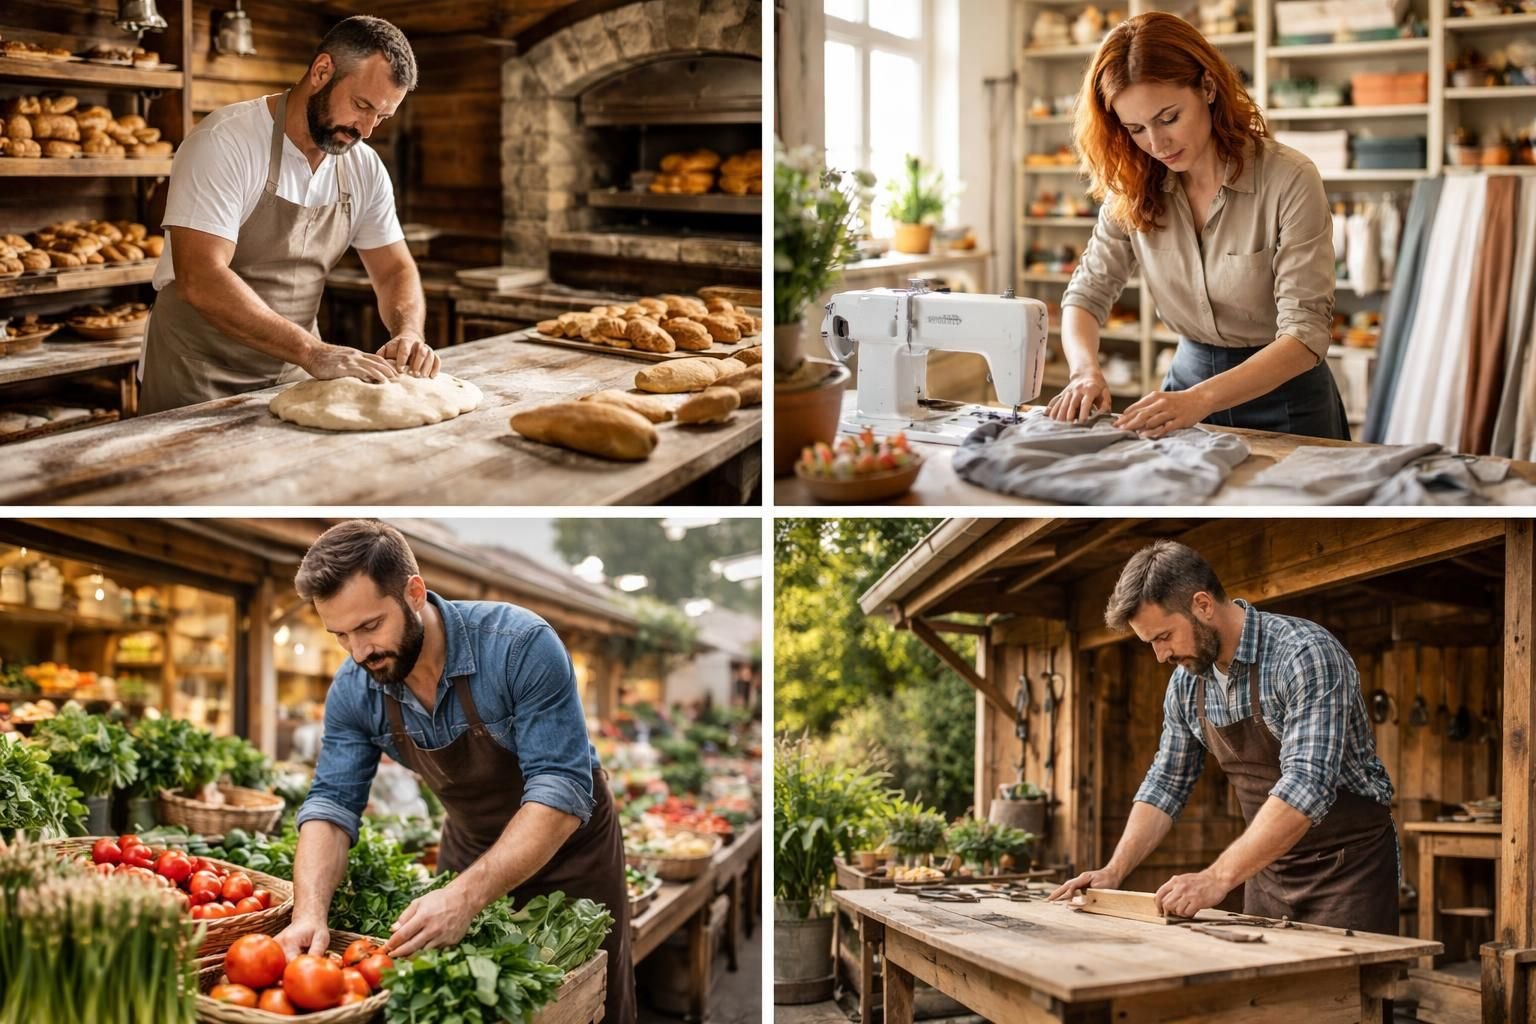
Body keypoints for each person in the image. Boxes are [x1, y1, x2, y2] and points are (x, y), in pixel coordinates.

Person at [276, 520, 635, 1024]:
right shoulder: (355, 689)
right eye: (340, 635)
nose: (359, 652)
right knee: (463, 1005)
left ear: (415, 593)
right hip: (468, 848)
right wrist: (308, 912)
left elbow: (561, 789)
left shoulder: (519, 645)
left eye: (370, 626)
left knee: (587, 1003)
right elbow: (331, 805)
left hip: (573, 855)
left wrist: (466, 896)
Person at [1049, 540, 1398, 934]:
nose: (1160, 656)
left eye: (1164, 637)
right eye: (1150, 643)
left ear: (1202, 605)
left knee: (1346, 994)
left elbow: (1306, 785)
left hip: (1349, 872)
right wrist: (1114, 871)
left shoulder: (1304, 654)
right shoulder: (1186, 684)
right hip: (1267, 871)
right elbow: (1166, 783)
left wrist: (1216, 878)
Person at [1046, 12, 1348, 440]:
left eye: (1168, 118)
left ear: (1207, 87)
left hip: (1286, 399)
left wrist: (1200, 401)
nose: (1156, 144)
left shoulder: (1289, 179)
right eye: (1135, 129)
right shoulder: (1132, 187)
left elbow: (1305, 335)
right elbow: (1087, 294)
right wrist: (1083, 371)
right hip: (1184, 391)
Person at [139, 16, 440, 414]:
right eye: (362, 106)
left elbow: (394, 270)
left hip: (293, 374)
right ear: (321, 71)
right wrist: (312, 351)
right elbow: (201, 277)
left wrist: (408, 333)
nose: (366, 130)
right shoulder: (224, 141)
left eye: (382, 117)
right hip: (196, 375)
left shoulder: (364, 167)